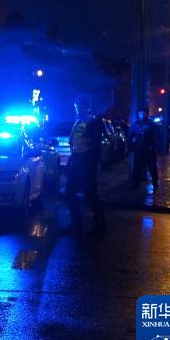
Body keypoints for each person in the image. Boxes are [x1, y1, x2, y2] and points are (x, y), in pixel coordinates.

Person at [64, 94, 106, 237]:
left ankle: (99, 226)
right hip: (77, 159)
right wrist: (71, 161)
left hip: (87, 162)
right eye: (76, 105)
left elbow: (96, 146)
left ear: (86, 106)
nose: (77, 107)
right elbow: (74, 143)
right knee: (70, 192)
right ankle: (76, 225)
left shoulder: (92, 121)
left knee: (90, 194)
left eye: (80, 105)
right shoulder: (78, 121)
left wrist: (91, 165)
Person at [129, 110, 159, 190]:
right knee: (137, 167)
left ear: (146, 114)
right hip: (139, 149)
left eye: (143, 113)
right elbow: (130, 135)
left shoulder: (151, 124)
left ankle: (155, 183)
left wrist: (153, 146)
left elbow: (156, 136)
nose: (142, 115)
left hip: (149, 149)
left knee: (152, 167)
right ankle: (136, 184)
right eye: (140, 113)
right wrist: (132, 142)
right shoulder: (136, 124)